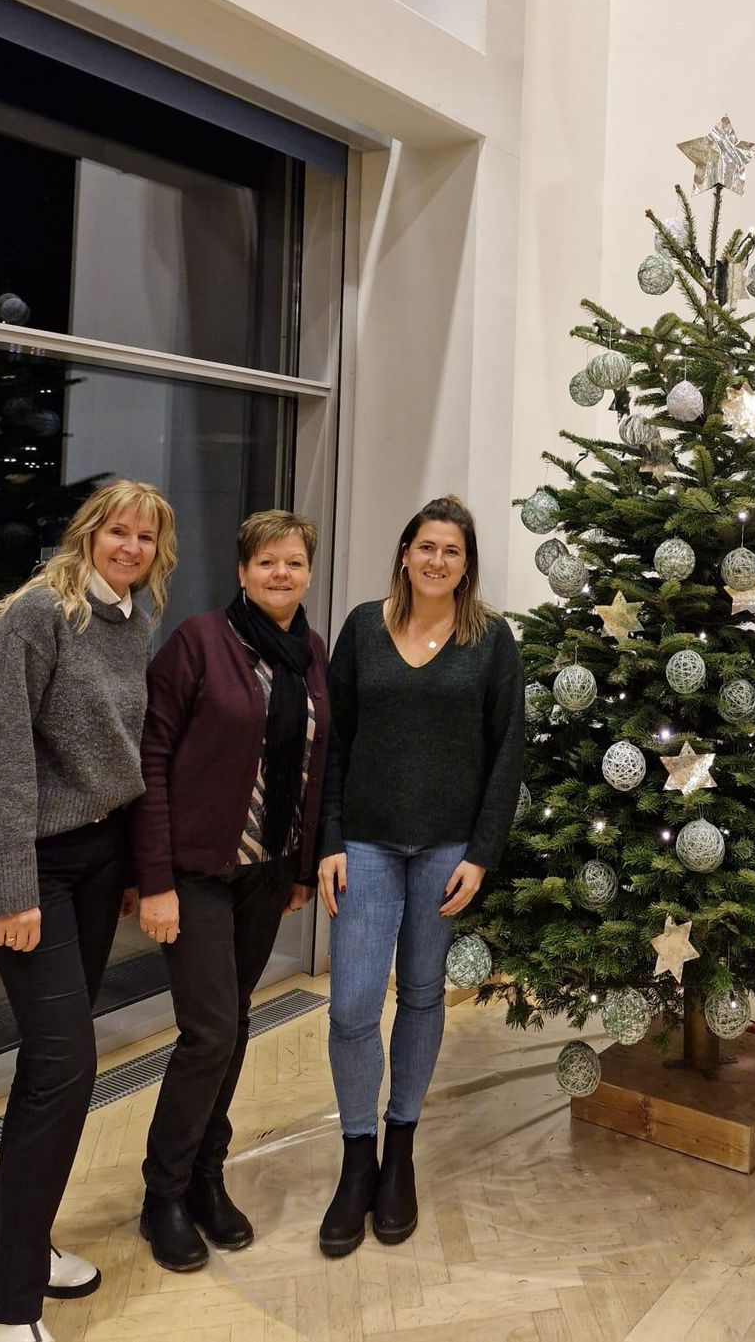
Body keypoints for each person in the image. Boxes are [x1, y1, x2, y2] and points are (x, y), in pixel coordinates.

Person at [0, 480, 176, 1342]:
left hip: (96, 863)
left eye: (145, 538)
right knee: (65, 1068)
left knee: (49, 1073)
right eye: (117, 531)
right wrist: (8, 886)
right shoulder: (38, 618)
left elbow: (124, 761)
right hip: (37, 870)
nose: (130, 547)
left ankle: (21, 1243)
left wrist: (131, 867)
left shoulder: (133, 623)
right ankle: (0, 1313)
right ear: (89, 533)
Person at [317, 494, 523, 1257]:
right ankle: (356, 1154)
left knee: (426, 993)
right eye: (426, 546)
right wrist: (330, 837)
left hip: (447, 849)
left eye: (453, 551)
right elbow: (333, 742)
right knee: (352, 1005)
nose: (438, 560)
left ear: (466, 565)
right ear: (405, 552)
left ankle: (400, 1147)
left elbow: (508, 753)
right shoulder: (364, 628)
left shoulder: (491, 640)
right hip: (365, 843)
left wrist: (482, 852)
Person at [131, 510, 331, 1272]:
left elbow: (315, 763)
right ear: (242, 571)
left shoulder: (309, 651)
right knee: (209, 1031)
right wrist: (154, 879)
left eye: (294, 563)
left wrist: (302, 866)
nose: (282, 574)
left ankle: (207, 1178)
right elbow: (151, 760)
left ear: (308, 572)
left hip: (266, 872)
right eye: (267, 562)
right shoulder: (199, 643)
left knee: (237, 1023)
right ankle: (162, 1193)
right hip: (196, 872)